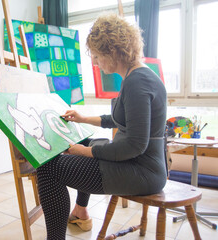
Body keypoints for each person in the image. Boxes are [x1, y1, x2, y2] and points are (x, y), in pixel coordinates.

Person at [36, 13, 167, 240]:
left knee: (48, 169)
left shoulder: (137, 81)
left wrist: (85, 152)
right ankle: (80, 210)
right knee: (87, 141)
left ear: (113, 52)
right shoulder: (136, 76)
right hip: (142, 164)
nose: (95, 63)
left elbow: (134, 145)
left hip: (143, 171)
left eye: (97, 56)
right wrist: (84, 119)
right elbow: (122, 120)